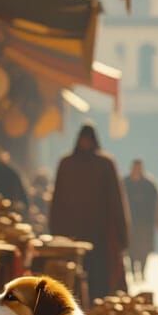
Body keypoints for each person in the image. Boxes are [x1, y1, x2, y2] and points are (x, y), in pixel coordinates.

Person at [49, 125, 131, 296]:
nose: (85, 143)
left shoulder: (105, 163)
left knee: (99, 275)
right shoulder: (67, 164)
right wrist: (55, 228)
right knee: (71, 274)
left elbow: (116, 200)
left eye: (88, 139)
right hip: (71, 231)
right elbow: (57, 198)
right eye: (83, 139)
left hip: (99, 231)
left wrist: (122, 232)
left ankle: (97, 301)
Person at [124, 159, 158, 281]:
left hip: (145, 223)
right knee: (131, 250)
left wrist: (155, 220)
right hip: (130, 223)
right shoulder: (125, 183)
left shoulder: (149, 185)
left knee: (144, 250)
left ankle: (142, 271)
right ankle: (133, 272)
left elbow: (155, 204)